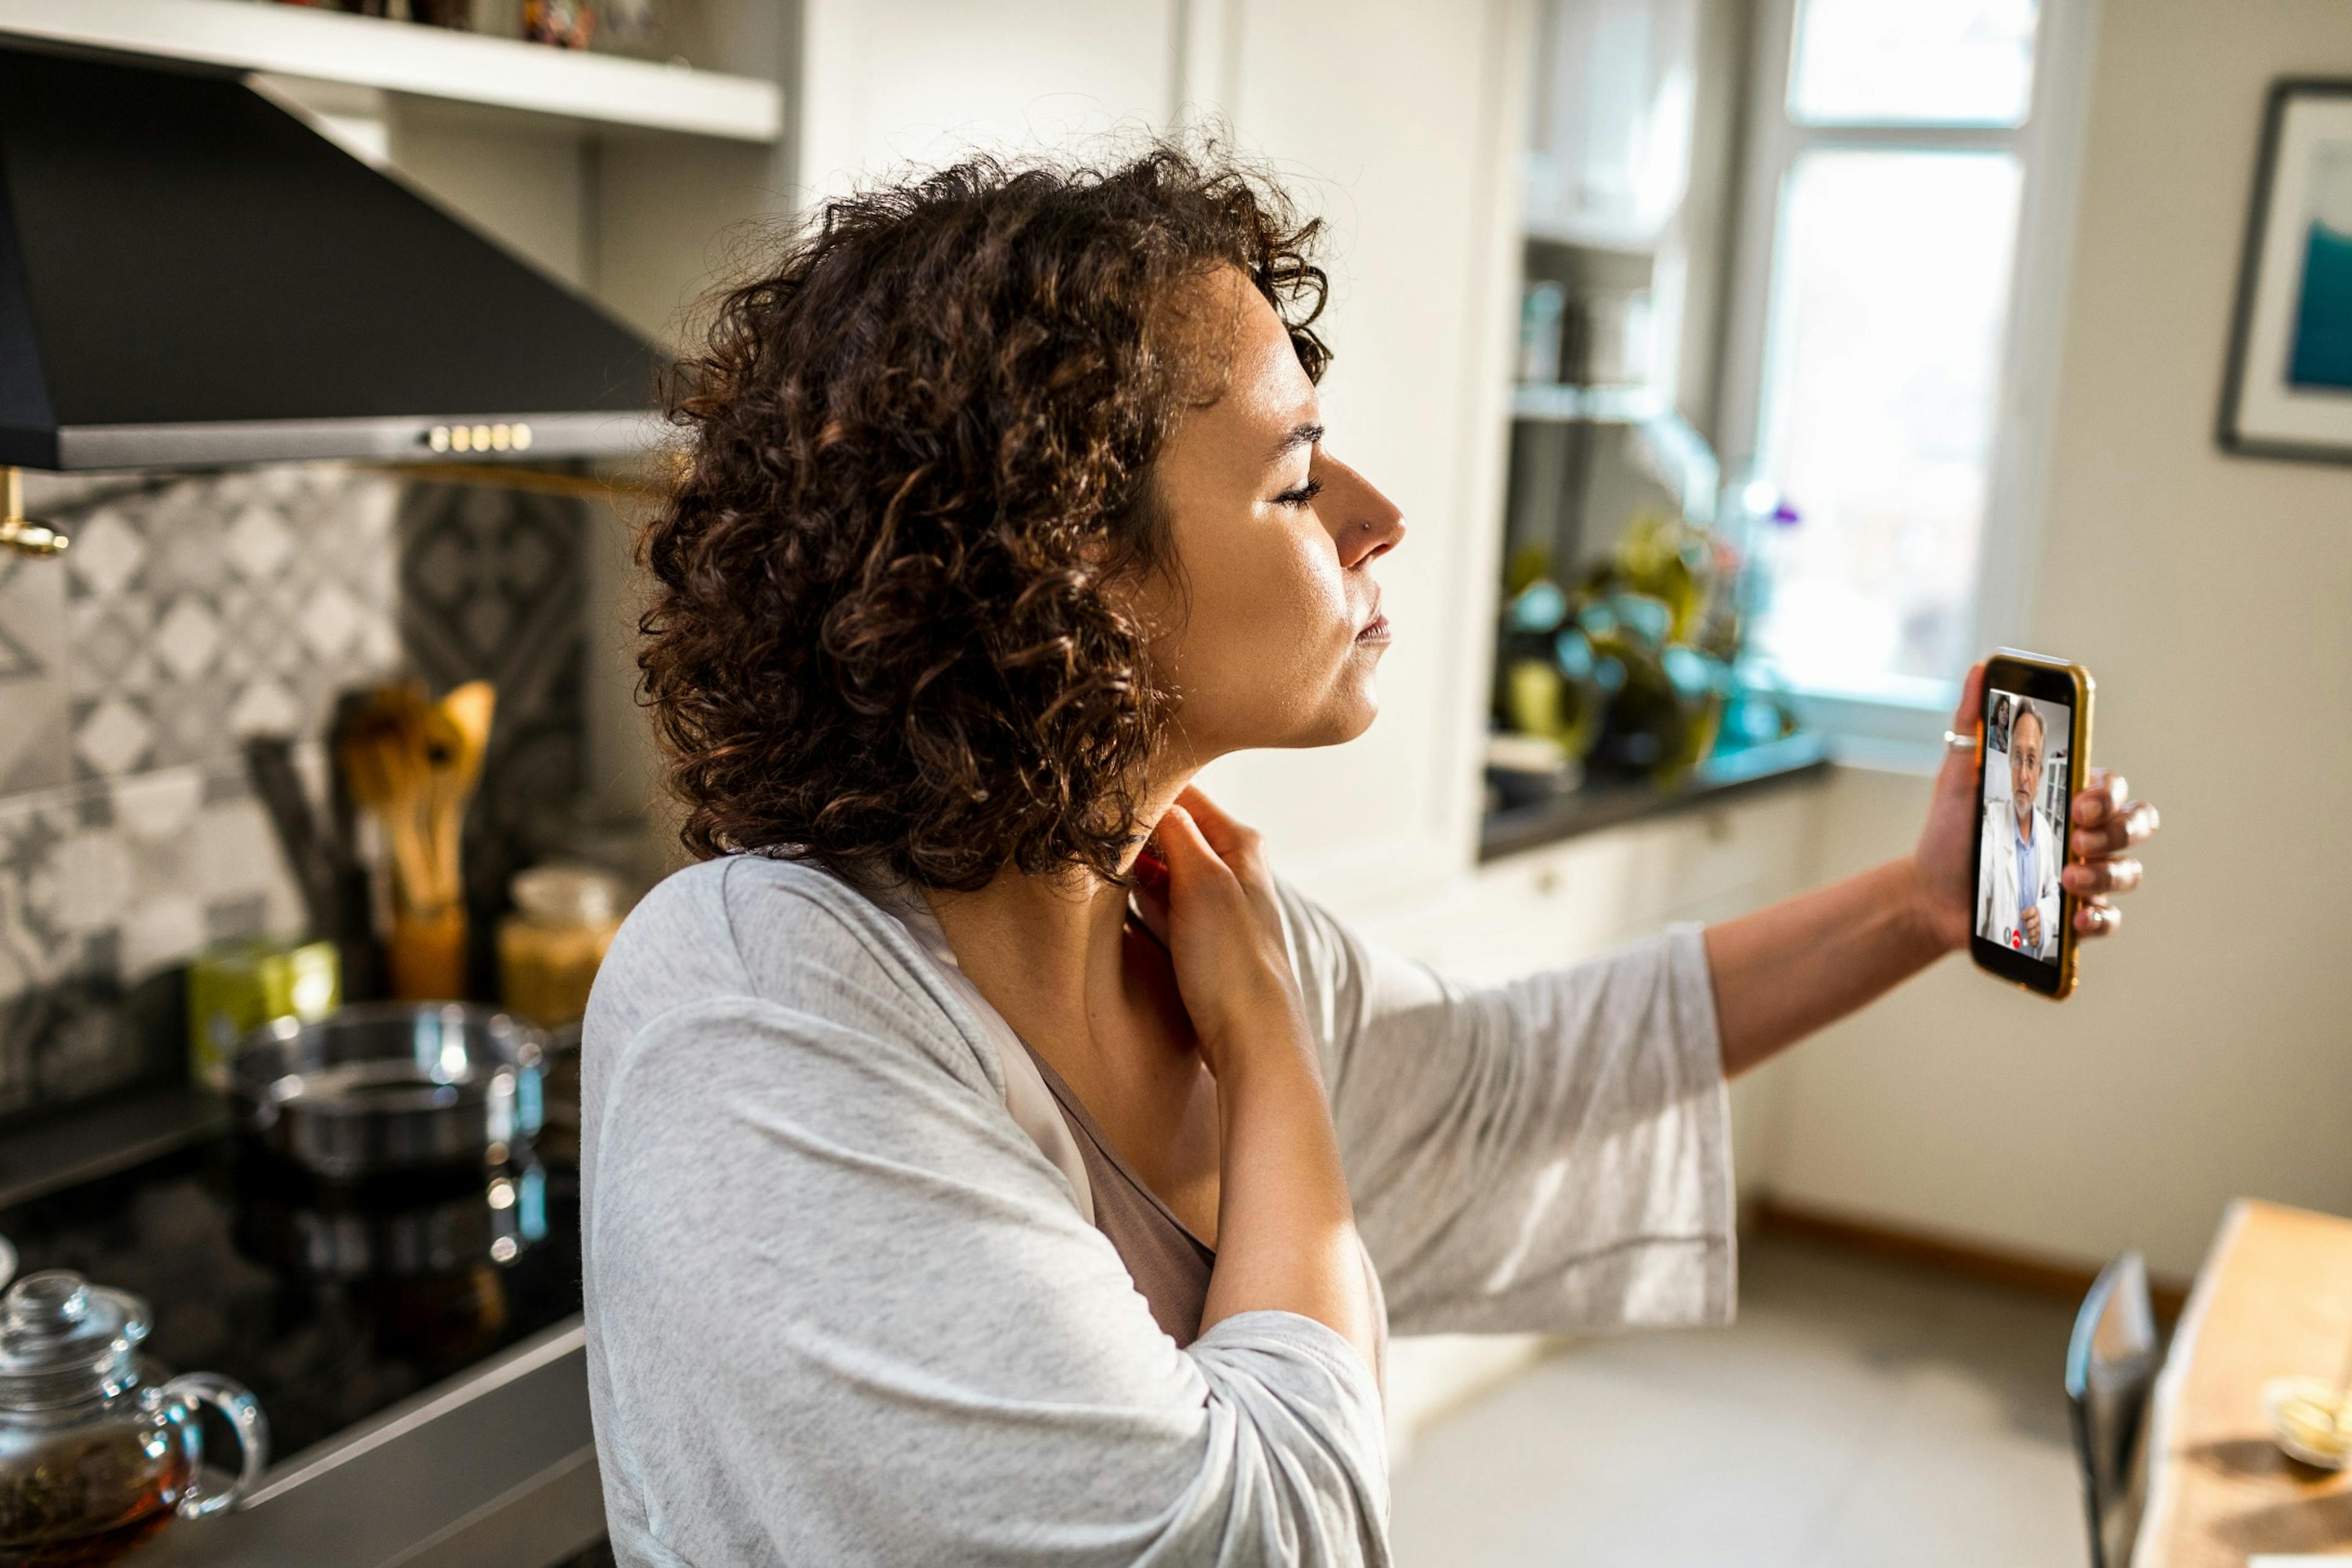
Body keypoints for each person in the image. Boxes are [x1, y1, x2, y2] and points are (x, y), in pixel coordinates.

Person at [579, 147, 2161, 1567]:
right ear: (1069, 569)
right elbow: (1261, 1535)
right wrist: (1269, 1061)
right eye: (1293, 477)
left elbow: (1507, 1088)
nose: (1381, 512)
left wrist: (1915, 907)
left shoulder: (1171, 911)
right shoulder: (761, 996)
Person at [1978, 699, 2065, 958]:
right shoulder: (1992, 823)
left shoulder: (2046, 831)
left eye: (2031, 760)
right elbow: (1980, 882)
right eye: (2017, 758)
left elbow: (2053, 893)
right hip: (2002, 963)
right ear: (2009, 765)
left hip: (2034, 961)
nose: (2023, 775)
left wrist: (2044, 915)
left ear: (2040, 773)